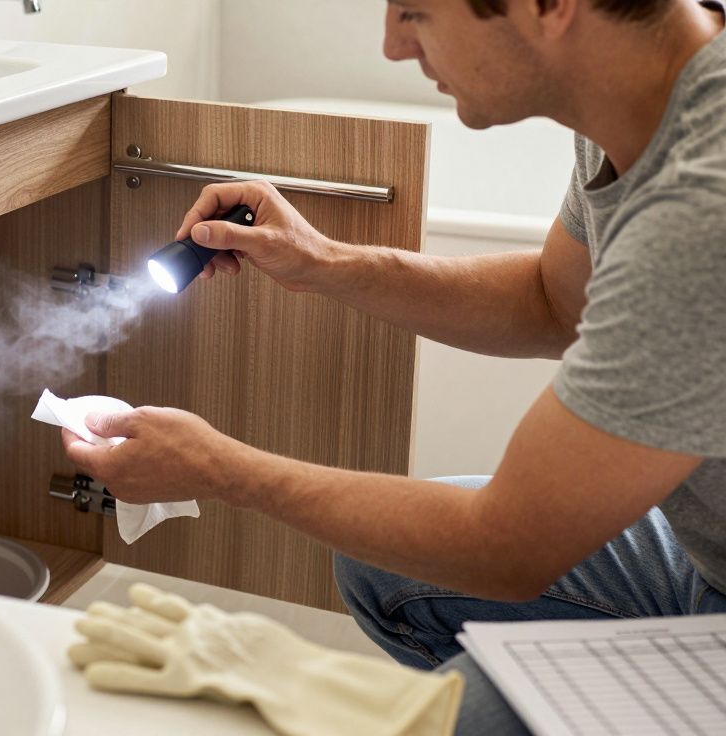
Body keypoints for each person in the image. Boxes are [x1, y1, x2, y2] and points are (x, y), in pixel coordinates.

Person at [59, 0, 726, 731]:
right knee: (388, 570)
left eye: (416, 12)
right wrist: (323, 261)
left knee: (457, 716)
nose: (391, 45)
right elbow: (553, 302)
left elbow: (506, 549)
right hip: (704, 562)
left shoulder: (702, 208)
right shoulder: (637, 114)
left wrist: (221, 470)